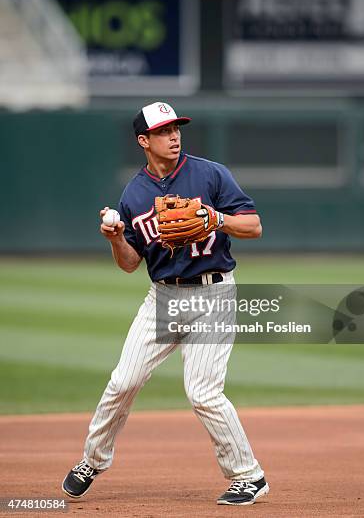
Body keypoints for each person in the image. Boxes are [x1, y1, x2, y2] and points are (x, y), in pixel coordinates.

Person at [62, 101, 269, 506]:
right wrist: (116, 238)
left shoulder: (209, 173)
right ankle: (92, 460)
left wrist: (215, 219)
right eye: (162, 131)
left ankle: (249, 475)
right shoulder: (134, 193)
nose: (173, 136)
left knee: (203, 393)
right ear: (144, 141)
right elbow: (129, 263)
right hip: (164, 296)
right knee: (123, 381)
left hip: (214, 292)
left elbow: (254, 226)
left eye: (176, 129)